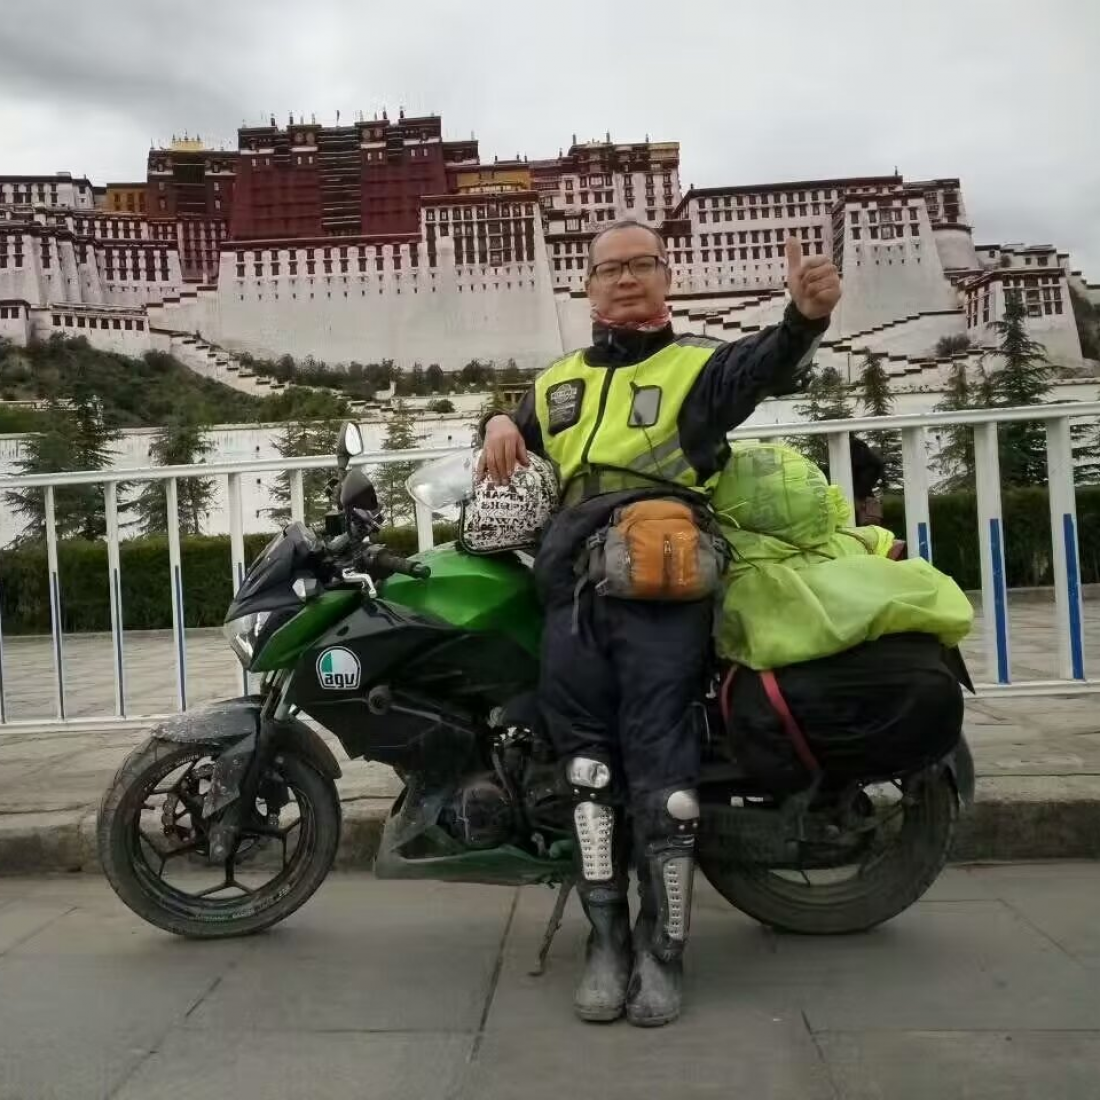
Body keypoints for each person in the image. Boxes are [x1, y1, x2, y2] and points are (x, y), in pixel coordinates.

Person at [478, 220, 841, 1026]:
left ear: (665, 276)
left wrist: (803, 320)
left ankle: (662, 950)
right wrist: (497, 424)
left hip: (662, 584)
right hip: (573, 587)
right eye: (609, 268)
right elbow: (515, 434)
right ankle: (605, 941)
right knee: (585, 769)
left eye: (642, 264)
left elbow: (763, 365)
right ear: (587, 286)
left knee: (663, 774)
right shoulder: (557, 381)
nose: (625, 279)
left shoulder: (697, 369)